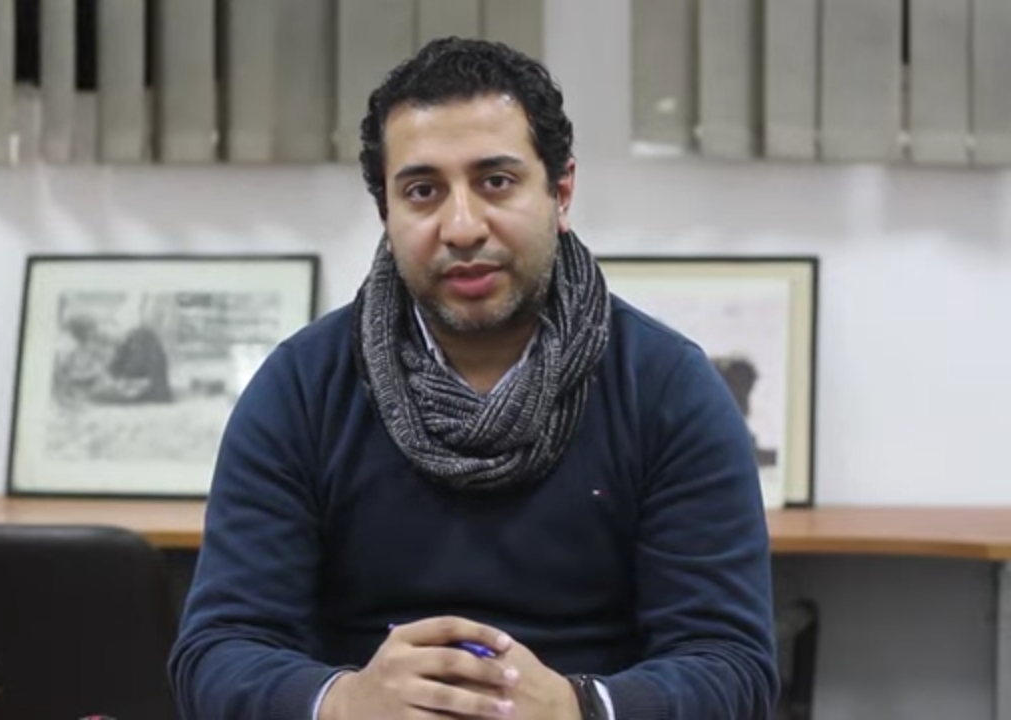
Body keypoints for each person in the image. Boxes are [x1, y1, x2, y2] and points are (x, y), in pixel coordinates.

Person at [169, 37, 779, 720]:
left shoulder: (667, 389)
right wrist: (344, 702)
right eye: (423, 191)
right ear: (386, 214)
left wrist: (578, 706)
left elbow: (732, 666)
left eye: (496, 182)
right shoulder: (302, 389)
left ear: (561, 192)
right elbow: (218, 652)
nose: (461, 227)